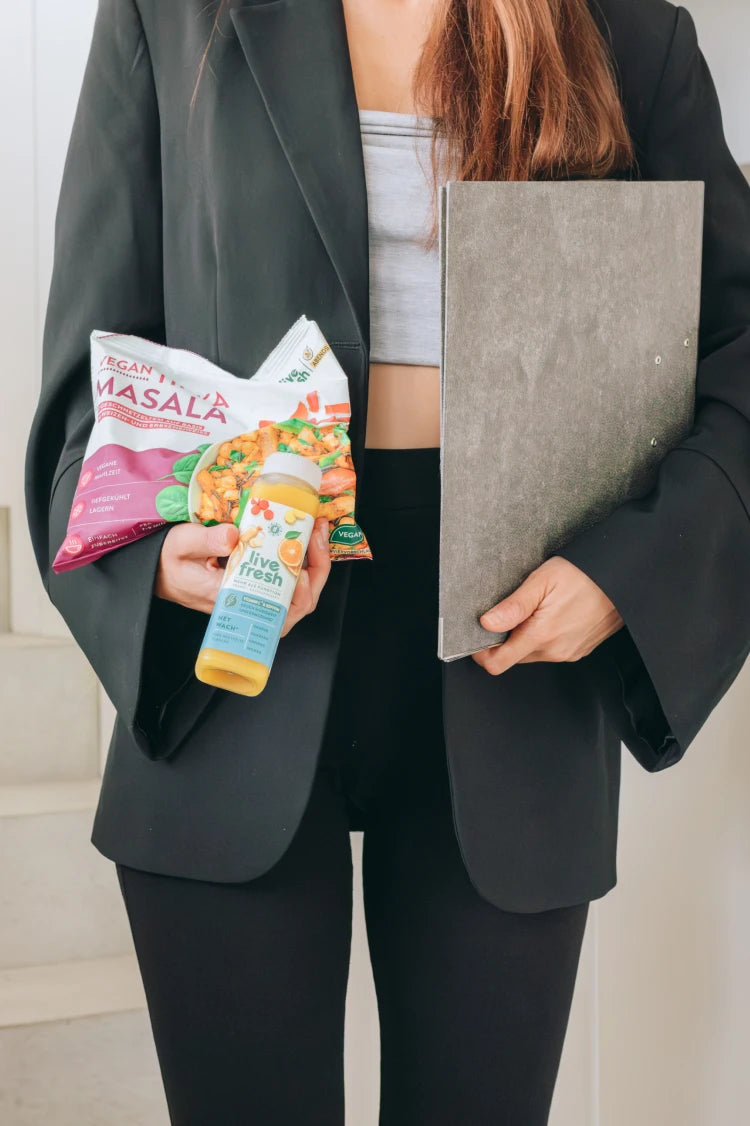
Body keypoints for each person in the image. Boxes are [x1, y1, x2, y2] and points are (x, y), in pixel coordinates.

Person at [24, 0, 750, 1122]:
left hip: (515, 658)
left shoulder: (625, 31)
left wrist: (632, 571)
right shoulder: (168, 16)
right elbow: (86, 383)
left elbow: (740, 351)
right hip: (236, 650)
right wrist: (164, 558)